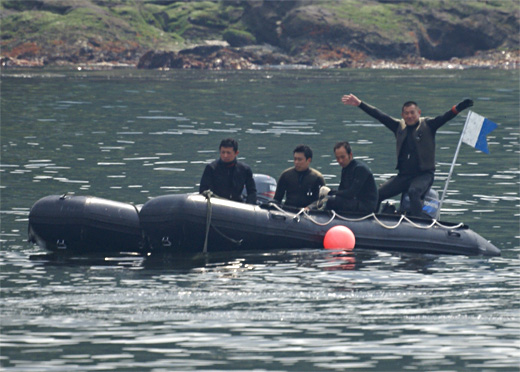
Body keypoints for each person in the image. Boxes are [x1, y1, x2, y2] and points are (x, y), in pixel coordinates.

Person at [341, 94, 473, 216]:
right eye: (406, 113)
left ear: (418, 113)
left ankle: (418, 225)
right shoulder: (398, 126)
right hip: (404, 176)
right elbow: (379, 115)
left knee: (414, 192)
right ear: (402, 115)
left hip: (424, 175)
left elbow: (446, 116)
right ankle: (371, 221)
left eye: (412, 113)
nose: (409, 116)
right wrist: (359, 103)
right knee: (378, 194)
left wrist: (460, 107)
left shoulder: (429, 125)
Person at [199, 138, 257, 204]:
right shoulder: (211, 168)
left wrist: (250, 207)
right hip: (216, 204)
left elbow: (252, 192)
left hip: (238, 204)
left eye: (228, 153)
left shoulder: (245, 169)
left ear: (236, 153)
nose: (225, 155)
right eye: (223, 152)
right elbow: (203, 190)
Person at [325, 141, 378, 214]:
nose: (340, 161)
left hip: (366, 205)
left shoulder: (360, 169)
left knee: (332, 200)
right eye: (337, 158)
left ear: (350, 155)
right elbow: (342, 190)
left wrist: (331, 192)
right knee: (331, 199)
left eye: (343, 157)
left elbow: (351, 193)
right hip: (355, 201)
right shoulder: (345, 169)